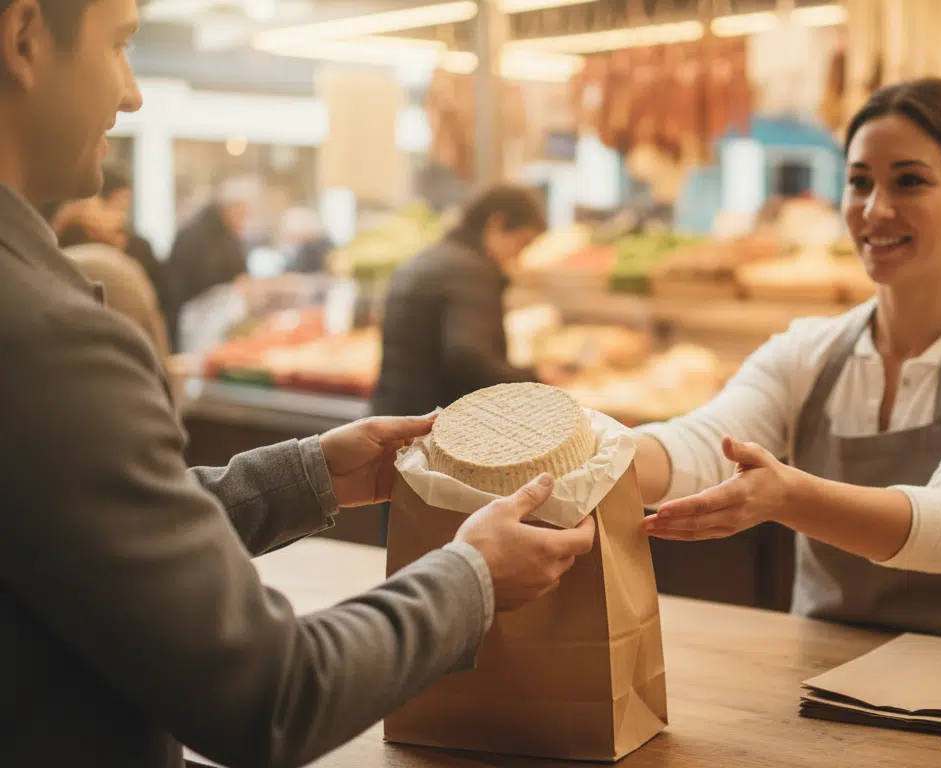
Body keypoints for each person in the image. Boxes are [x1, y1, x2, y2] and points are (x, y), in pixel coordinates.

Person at [0, 2, 593, 767]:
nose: (131, 92)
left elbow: (71, 535)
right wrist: (471, 579)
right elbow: (271, 696)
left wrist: (304, 476)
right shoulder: (49, 340)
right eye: (119, 46)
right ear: (22, 38)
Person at [633, 79, 941, 650]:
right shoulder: (807, 351)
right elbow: (703, 446)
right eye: (859, 182)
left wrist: (789, 498)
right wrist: (598, 455)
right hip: (823, 685)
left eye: (909, 181)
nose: (876, 209)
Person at [372, 183, 547, 420]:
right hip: (430, 430)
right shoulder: (472, 271)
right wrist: (535, 382)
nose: (519, 256)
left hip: (395, 420)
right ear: (496, 223)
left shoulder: (428, 257)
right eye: (522, 242)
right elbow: (468, 357)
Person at [43, 197, 172, 363]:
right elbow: (155, 354)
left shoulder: (46, 273)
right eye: (118, 232)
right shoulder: (118, 273)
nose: (123, 240)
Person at [162, 176, 254, 350]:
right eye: (243, 213)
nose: (245, 220)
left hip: (205, 320)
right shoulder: (198, 237)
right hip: (195, 321)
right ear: (229, 209)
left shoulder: (225, 236)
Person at [99, 162, 166, 297]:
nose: (124, 209)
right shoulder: (82, 240)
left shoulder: (140, 246)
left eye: (127, 200)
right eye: (118, 200)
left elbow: (163, 294)